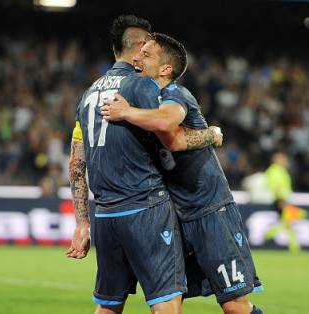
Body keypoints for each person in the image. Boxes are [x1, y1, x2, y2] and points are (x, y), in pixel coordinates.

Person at [66, 15, 222, 314]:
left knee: (109, 305)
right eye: (150, 45)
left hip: (106, 215)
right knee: (166, 303)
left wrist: (83, 223)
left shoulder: (88, 94)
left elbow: (76, 162)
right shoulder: (141, 86)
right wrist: (211, 135)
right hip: (144, 207)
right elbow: (172, 135)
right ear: (140, 47)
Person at [101, 33, 264, 314]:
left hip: (209, 210)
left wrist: (126, 113)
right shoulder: (142, 102)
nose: (137, 59)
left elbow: (170, 132)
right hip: (176, 215)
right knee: (169, 302)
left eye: (147, 55)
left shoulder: (175, 94)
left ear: (165, 69)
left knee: (234, 306)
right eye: (138, 53)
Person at [265, 152, 306, 253]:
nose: (285, 161)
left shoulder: (279, 170)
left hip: (283, 199)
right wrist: (280, 200)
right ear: (276, 160)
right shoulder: (275, 171)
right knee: (289, 222)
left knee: (287, 223)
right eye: (282, 159)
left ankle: (294, 247)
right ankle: (268, 234)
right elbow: (276, 186)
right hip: (280, 200)